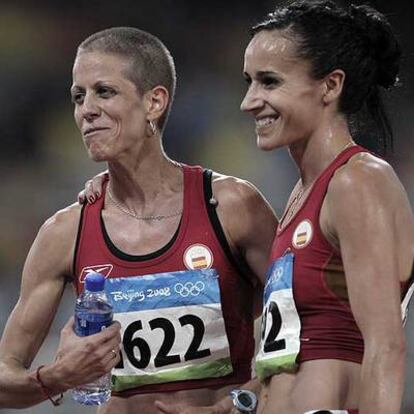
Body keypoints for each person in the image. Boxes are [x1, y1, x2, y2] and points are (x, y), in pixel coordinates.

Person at [0, 27, 277, 413]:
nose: (86, 109)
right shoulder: (65, 232)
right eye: (79, 97)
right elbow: (4, 378)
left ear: (154, 102)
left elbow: (307, 326)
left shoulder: (231, 206)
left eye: (104, 92)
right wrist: (58, 376)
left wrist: (236, 404)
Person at [237, 1, 413, 413]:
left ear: (330, 86)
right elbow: (291, 349)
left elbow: (386, 346)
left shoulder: (358, 180)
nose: (249, 101)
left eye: (269, 82)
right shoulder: (303, 193)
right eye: (249, 81)